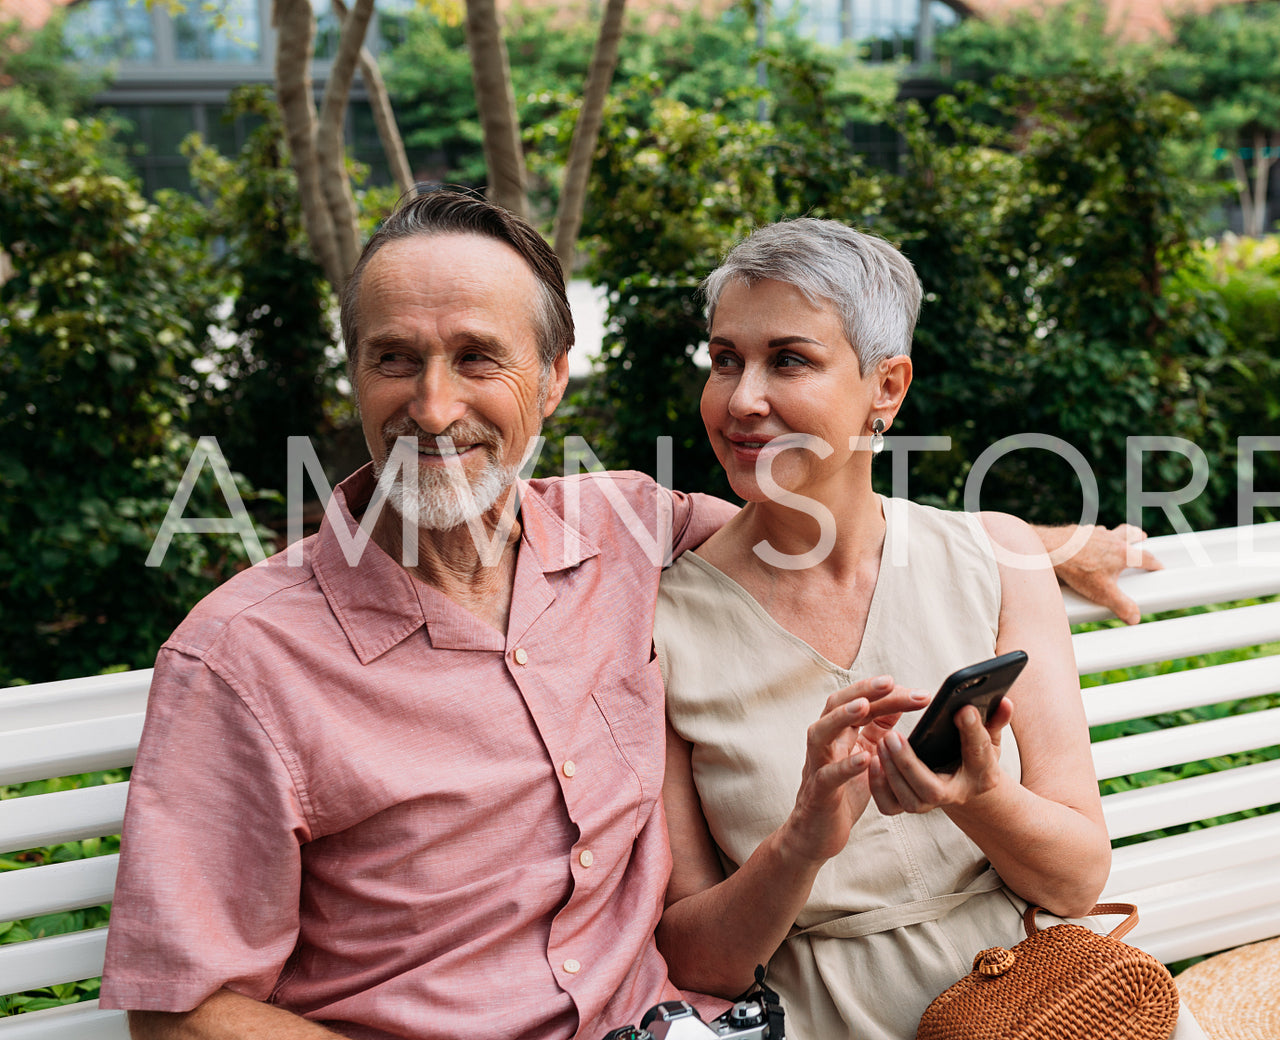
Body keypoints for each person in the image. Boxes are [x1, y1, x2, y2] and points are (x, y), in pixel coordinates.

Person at [99, 190, 1159, 1040]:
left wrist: (1048, 541)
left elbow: (823, 520)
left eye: (476, 357)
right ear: (356, 373)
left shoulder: (620, 534)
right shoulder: (241, 655)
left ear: (554, 379)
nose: (430, 406)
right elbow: (185, 1005)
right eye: (393, 358)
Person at [651, 218, 1203, 1040]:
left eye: (789, 360)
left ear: (887, 387)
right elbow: (695, 960)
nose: (740, 400)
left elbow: (1077, 881)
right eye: (723, 359)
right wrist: (799, 845)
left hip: (1047, 1003)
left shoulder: (998, 557)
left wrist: (978, 798)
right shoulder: (662, 623)